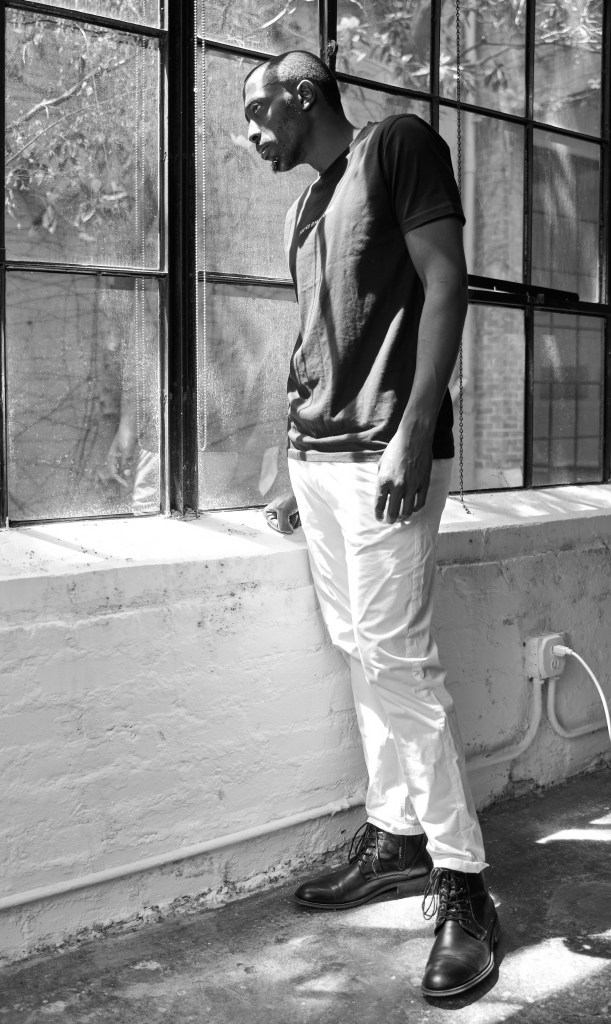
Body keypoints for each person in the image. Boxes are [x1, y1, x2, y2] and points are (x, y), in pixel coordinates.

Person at [242, 50, 499, 998]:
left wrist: (415, 429)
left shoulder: (397, 147)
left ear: (304, 96)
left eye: (260, 113)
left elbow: (445, 281)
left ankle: (463, 882)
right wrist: (289, 460)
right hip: (319, 462)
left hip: (386, 455)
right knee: (359, 647)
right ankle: (396, 835)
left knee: (398, 658)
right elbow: (315, 338)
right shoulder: (304, 208)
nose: (252, 135)